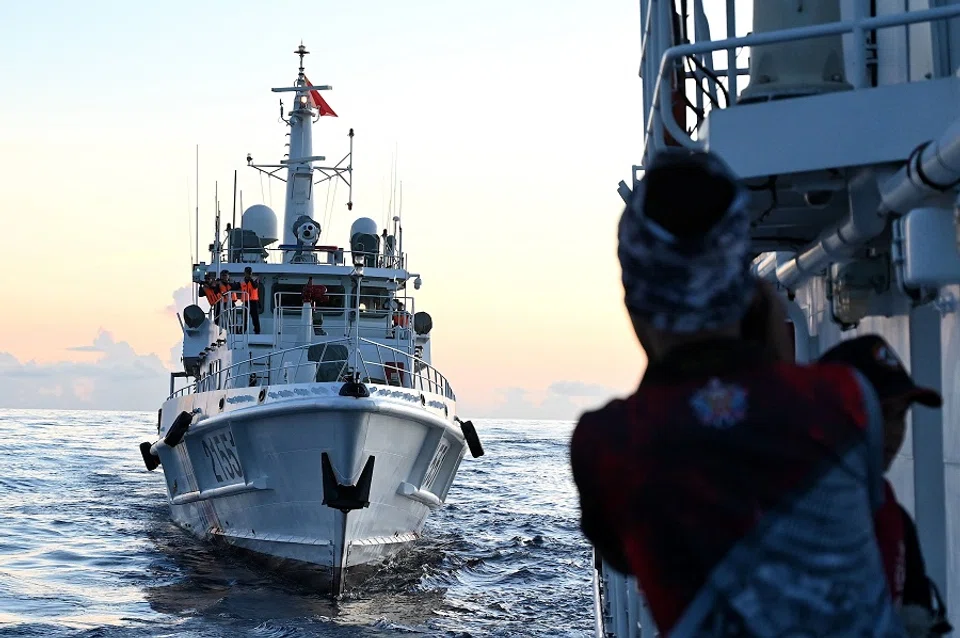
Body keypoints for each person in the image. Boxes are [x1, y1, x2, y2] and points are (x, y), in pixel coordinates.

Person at [569, 149, 906, 636]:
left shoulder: (610, 443)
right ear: (745, 285)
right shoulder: (847, 398)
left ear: (633, 297)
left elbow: (623, 556)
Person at [819, 335, 952, 637]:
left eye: (900, 415)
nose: (892, 432)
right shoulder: (780, 519)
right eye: (879, 413)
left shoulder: (897, 523)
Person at [241, 266, 261, 334]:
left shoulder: (255, 280)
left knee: (255, 317)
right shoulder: (242, 281)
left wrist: (250, 279)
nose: (248, 274)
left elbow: (255, 286)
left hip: (253, 302)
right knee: (244, 318)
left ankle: (257, 331)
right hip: (246, 301)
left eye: (249, 273)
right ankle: (242, 330)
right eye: (247, 272)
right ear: (245, 273)